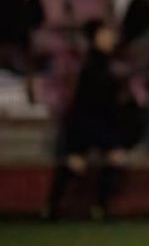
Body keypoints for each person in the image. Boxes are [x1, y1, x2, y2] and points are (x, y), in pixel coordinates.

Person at [45, 21, 129, 221]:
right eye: (105, 34)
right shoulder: (91, 65)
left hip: (96, 120)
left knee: (106, 158)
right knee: (78, 162)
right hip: (85, 120)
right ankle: (58, 207)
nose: (110, 38)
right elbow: (88, 98)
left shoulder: (108, 63)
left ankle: (97, 207)